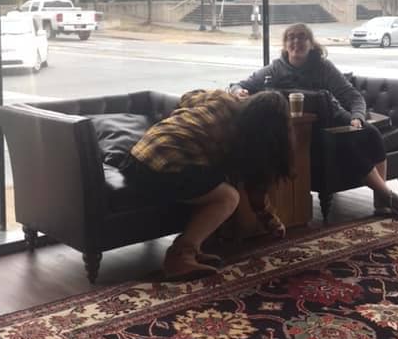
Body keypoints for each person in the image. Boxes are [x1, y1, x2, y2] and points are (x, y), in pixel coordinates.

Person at [230, 22, 398, 219]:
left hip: (336, 115)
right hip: (311, 128)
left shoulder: (323, 67)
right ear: (285, 45)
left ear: (312, 44)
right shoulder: (275, 69)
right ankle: (389, 197)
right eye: (291, 38)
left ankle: (380, 200)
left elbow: (353, 97)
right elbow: (240, 85)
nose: (297, 41)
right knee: (347, 145)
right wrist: (238, 91)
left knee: (372, 133)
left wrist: (357, 117)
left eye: (302, 37)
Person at [121, 89, 293, 280]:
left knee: (211, 184)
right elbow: (254, 187)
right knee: (228, 197)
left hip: (137, 156)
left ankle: (194, 249)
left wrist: (182, 121)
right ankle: (179, 256)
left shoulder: (222, 97)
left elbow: (186, 97)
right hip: (160, 169)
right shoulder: (249, 136)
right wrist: (270, 220)